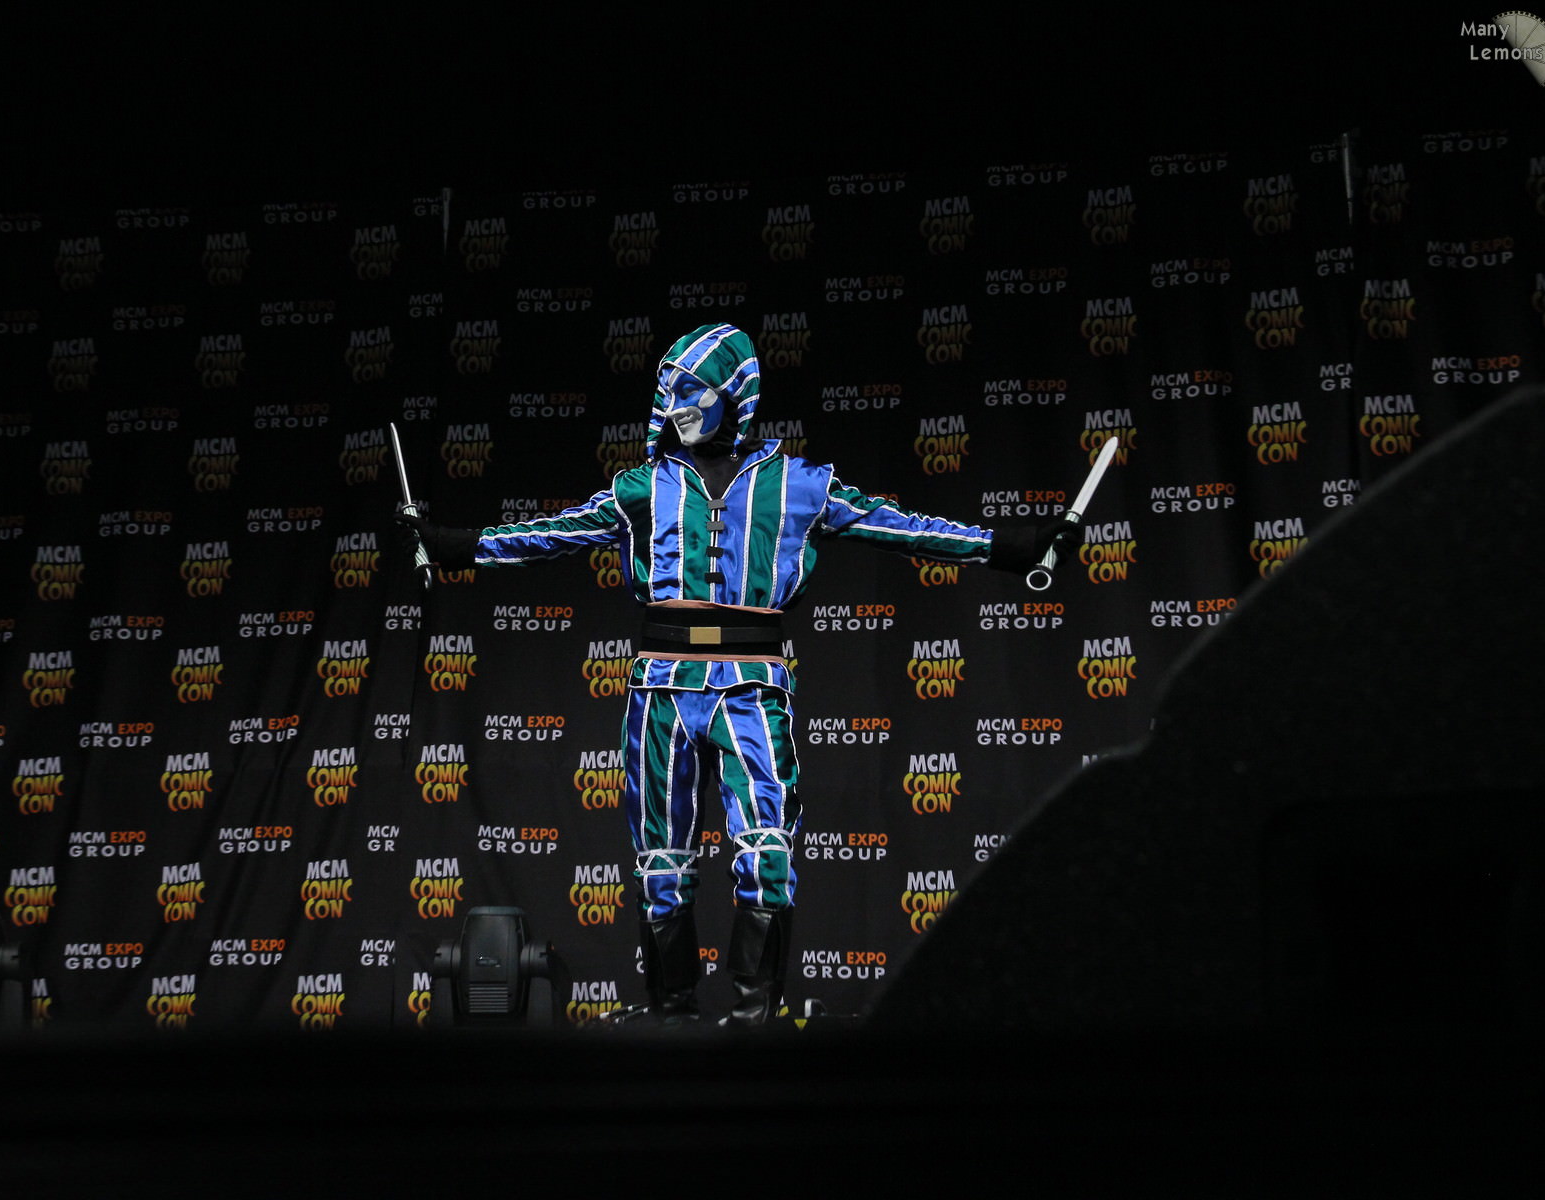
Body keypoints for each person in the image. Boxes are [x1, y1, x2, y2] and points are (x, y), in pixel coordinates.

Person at [397, 323, 1074, 1026]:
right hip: (661, 686)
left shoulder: (800, 485)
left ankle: (754, 1018)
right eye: (669, 392)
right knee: (661, 860)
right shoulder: (644, 487)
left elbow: (903, 528)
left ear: (736, 393)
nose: (677, 407)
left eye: (693, 391)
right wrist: (450, 545)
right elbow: (552, 533)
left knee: (767, 851)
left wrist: (1016, 544)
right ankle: (672, 1015)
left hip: (751, 686)